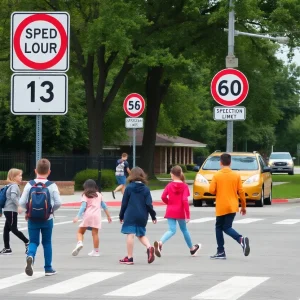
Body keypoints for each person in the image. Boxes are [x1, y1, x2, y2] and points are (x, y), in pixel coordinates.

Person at [19, 158, 61, 276]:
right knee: (47, 243)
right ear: (49, 171)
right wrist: (50, 211)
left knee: (33, 241)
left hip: (32, 218)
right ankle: (48, 268)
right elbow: (58, 202)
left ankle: (30, 256)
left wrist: (28, 211)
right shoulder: (52, 186)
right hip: (47, 219)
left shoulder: (29, 184)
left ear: (35, 170)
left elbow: (22, 202)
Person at [208, 153, 250, 259]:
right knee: (227, 227)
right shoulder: (236, 175)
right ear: (230, 163)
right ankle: (240, 241)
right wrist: (243, 206)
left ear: (220, 162)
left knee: (219, 227)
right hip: (232, 205)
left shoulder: (217, 175)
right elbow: (241, 191)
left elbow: (211, 190)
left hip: (222, 206)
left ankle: (222, 250)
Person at [154, 165, 200, 258]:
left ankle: (160, 242)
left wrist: (169, 203)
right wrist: (187, 215)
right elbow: (185, 201)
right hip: (180, 211)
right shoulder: (184, 186)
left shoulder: (169, 185)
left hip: (170, 210)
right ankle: (191, 249)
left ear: (172, 174)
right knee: (184, 230)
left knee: (171, 230)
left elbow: (163, 197)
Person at [119, 167, 156, 265]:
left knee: (130, 234)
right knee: (141, 234)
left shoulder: (129, 188)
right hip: (142, 215)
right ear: (142, 176)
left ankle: (130, 258)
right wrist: (153, 216)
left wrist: (121, 215)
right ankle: (149, 247)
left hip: (130, 214)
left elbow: (124, 203)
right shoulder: (146, 189)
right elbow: (149, 204)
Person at [72, 179, 112, 257]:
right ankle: (96, 251)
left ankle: (80, 242)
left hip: (88, 216)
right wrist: (108, 216)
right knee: (95, 234)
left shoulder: (85, 195)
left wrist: (77, 216)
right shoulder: (99, 195)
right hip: (97, 216)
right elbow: (104, 206)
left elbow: (83, 207)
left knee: (80, 232)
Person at [0, 168, 29, 255]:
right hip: (11, 210)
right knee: (13, 229)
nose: (21, 177)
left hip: (8, 210)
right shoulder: (14, 186)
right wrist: (18, 205)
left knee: (7, 229)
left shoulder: (8, 186)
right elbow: (13, 197)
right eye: (19, 175)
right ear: (13, 177)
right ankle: (27, 242)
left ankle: (7, 248)